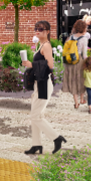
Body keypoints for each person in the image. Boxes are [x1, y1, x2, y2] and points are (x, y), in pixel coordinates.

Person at [21, 20, 67, 155]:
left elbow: (50, 65)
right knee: (36, 115)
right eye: (36, 28)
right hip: (39, 84)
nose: (37, 30)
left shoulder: (46, 46)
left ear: (47, 32)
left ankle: (56, 138)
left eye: (40, 29)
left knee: (35, 116)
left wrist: (31, 64)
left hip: (44, 84)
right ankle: (36, 145)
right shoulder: (41, 45)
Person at [64, 20, 89, 109]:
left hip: (71, 61)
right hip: (79, 61)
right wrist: (87, 63)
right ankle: (82, 99)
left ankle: (76, 102)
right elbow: (85, 54)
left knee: (73, 80)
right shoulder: (84, 39)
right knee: (81, 80)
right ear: (83, 28)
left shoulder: (71, 37)